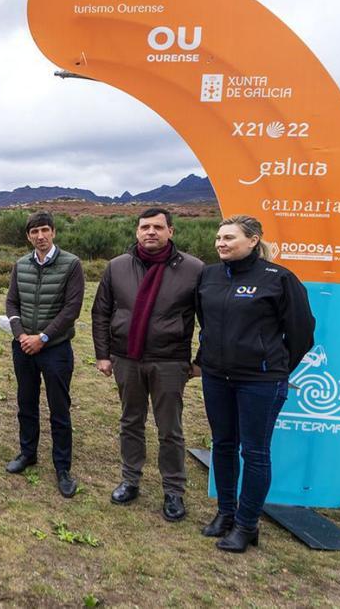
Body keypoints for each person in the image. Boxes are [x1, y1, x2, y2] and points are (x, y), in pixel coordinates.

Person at [195, 215, 315, 552]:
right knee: (223, 444)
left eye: (229, 237)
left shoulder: (279, 279)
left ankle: (247, 525)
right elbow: (205, 323)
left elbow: (302, 332)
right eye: (219, 237)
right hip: (217, 377)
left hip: (260, 382)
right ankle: (225, 513)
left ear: (253, 240)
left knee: (255, 452)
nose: (221, 243)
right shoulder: (209, 275)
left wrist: (273, 367)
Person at [91, 208, 203, 522]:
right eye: (144, 227)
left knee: (170, 429)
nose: (150, 232)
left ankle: (173, 490)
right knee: (130, 422)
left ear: (171, 231)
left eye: (157, 227)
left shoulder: (193, 269)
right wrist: (103, 354)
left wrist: (201, 361)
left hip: (169, 362)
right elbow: (101, 312)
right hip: (127, 359)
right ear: (137, 231)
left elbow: (212, 320)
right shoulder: (118, 266)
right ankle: (130, 479)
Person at [4, 211, 84, 498]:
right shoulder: (21, 264)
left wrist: (44, 337)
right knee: (26, 402)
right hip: (23, 346)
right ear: (28, 236)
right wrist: (21, 335)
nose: (40, 236)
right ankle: (28, 453)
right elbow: (12, 302)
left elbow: (71, 309)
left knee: (59, 409)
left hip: (56, 349)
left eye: (45, 230)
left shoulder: (71, 264)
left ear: (53, 232)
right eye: (34, 231)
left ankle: (62, 468)